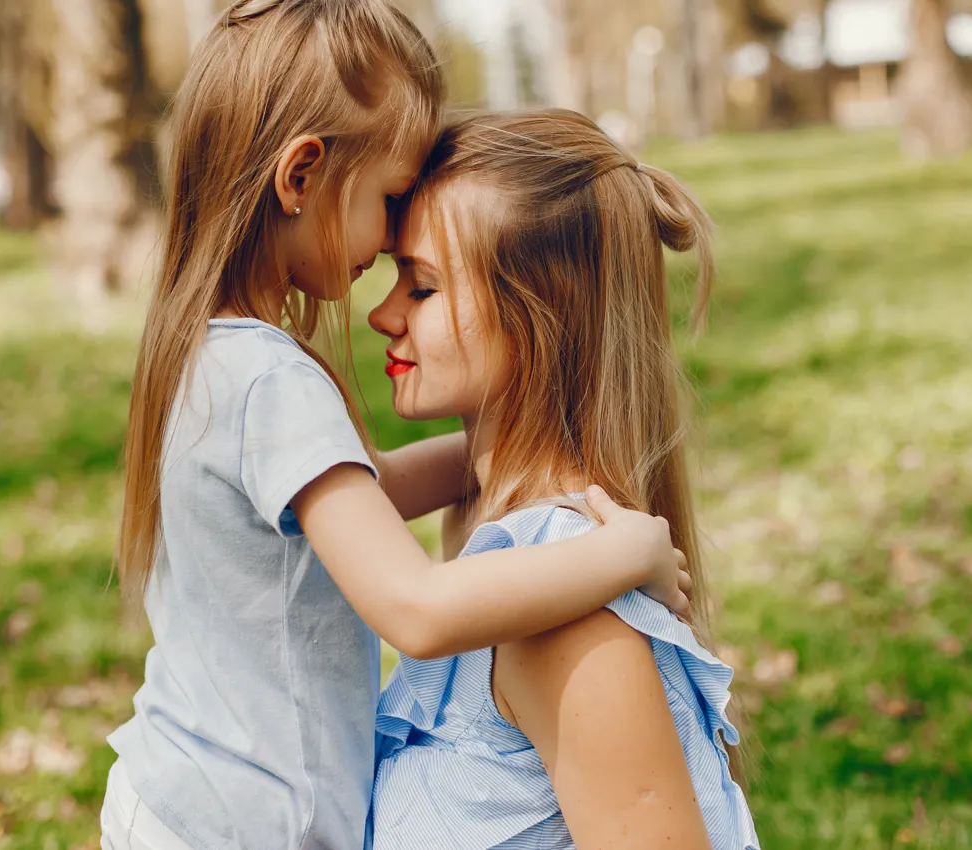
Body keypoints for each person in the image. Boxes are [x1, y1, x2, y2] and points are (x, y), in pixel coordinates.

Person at [100, 5, 692, 849]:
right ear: (300, 176)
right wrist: (625, 552)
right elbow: (416, 610)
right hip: (241, 828)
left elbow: (367, 491)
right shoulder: (269, 377)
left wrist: (511, 451)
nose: (382, 245)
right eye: (387, 198)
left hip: (177, 795)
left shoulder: (208, 352)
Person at [368, 109, 759, 849]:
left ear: (538, 317)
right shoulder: (498, 529)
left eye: (421, 287)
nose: (382, 315)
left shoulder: (564, 611)